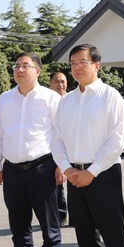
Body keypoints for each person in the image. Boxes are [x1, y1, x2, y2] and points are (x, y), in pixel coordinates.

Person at [51, 44, 124, 247]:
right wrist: (66, 168)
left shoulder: (110, 97)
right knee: (86, 241)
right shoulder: (66, 101)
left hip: (104, 176)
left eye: (82, 62)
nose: (76, 67)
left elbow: (117, 140)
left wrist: (93, 171)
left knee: (115, 241)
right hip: (75, 177)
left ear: (97, 65)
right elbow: (56, 139)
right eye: (73, 63)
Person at [0, 53, 63, 247]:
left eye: (25, 66)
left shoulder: (50, 98)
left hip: (43, 169)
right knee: (19, 227)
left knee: (49, 227)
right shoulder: (5, 99)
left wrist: (62, 165)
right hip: (12, 171)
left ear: (37, 71)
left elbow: (62, 134)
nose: (19, 70)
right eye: (16, 66)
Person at [49, 71, 70, 225]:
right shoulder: (46, 100)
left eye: (63, 81)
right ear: (50, 83)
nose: (60, 84)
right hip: (54, 149)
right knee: (57, 184)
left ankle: (76, 217)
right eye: (56, 81)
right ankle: (60, 215)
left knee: (76, 185)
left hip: (72, 148)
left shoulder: (72, 100)